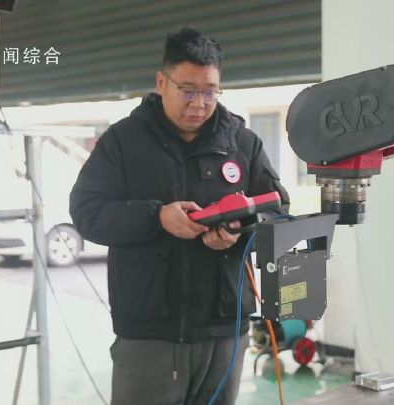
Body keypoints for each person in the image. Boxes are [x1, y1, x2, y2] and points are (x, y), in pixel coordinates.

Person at [69, 27, 289, 405]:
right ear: (161, 82)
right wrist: (156, 218)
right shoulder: (124, 141)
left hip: (224, 328)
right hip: (149, 333)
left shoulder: (241, 142)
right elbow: (86, 212)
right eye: (187, 90)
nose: (199, 104)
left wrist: (241, 230)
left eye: (210, 92)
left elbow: (278, 209)